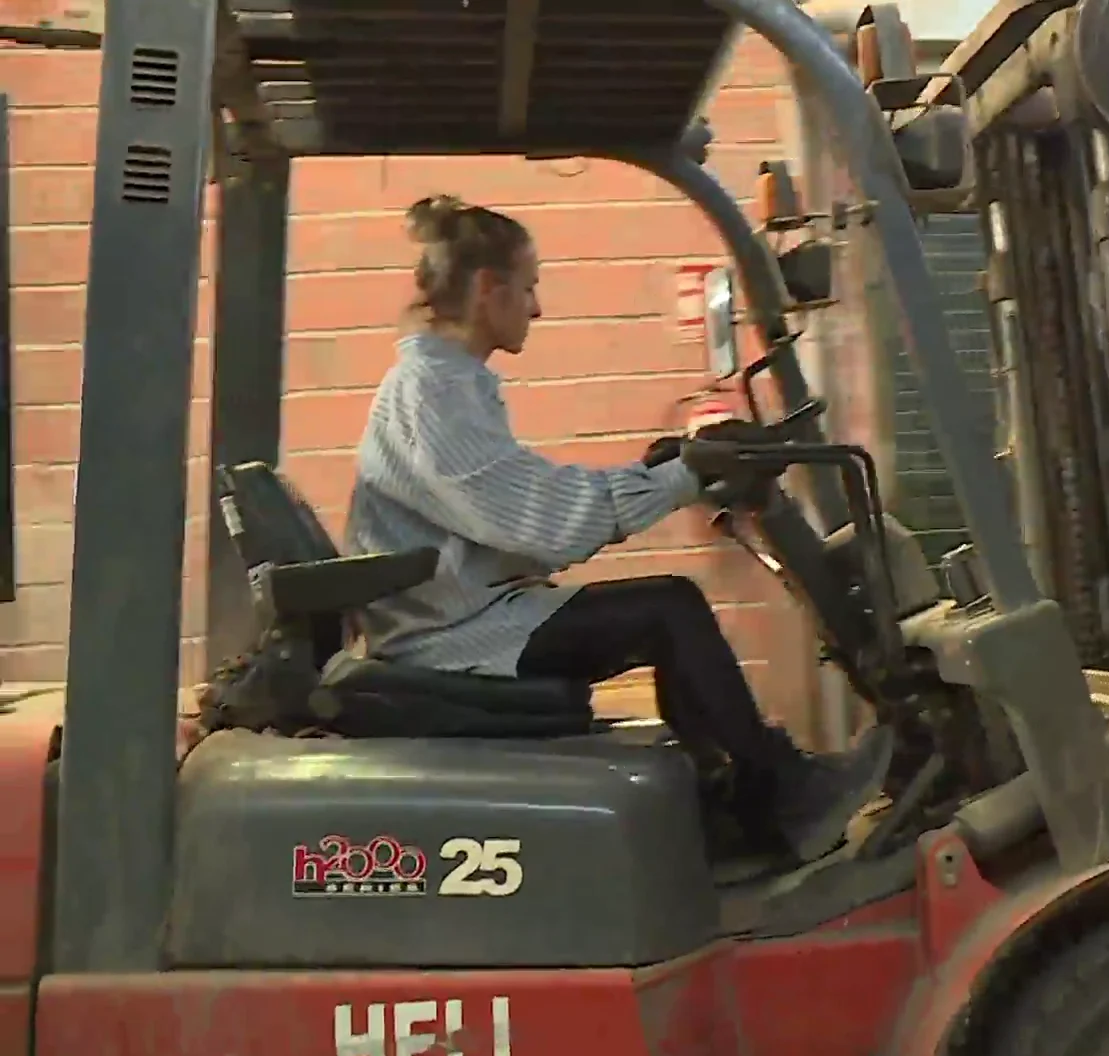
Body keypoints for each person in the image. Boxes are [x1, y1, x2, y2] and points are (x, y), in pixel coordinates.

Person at [343, 194, 886, 861]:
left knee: (663, 609)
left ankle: (736, 798)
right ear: (488, 290)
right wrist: (683, 475)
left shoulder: (446, 385)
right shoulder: (432, 395)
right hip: (455, 640)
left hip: (468, 615)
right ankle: (781, 795)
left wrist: (661, 470)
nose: (536, 308)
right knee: (668, 610)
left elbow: (523, 493)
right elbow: (546, 524)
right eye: (528, 287)